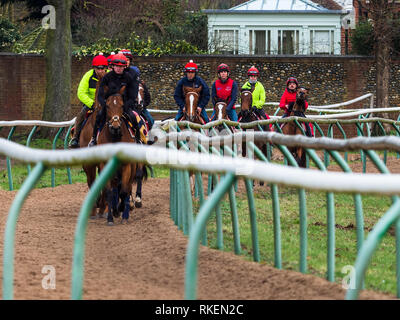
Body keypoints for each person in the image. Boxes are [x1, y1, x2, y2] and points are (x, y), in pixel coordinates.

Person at [88, 53, 141, 147]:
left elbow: (132, 96)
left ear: (125, 67)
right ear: (112, 66)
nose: (119, 68)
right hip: (109, 106)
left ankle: (138, 139)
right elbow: (100, 94)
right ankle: (93, 139)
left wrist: (125, 106)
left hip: (124, 105)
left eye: (121, 66)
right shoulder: (107, 77)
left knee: (133, 117)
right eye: (116, 66)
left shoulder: (129, 78)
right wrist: (104, 105)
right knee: (99, 116)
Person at [69, 53, 108, 148]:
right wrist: (92, 103)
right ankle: (75, 138)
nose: (100, 71)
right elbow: (81, 92)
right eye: (98, 68)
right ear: (94, 68)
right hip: (91, 104)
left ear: (105, 68)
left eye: (102, 68)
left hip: (106, 104)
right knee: (81, 115)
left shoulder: (109, 76)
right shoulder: (88, 76)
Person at [120, 49, 154, 130]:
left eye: (128, 60)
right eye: (124, 60)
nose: (126, 62)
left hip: (139, 108)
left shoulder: (137, 80)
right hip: (125, 107)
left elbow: (147, 97)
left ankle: (149, 139)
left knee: (151, 120)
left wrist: (142, 105)